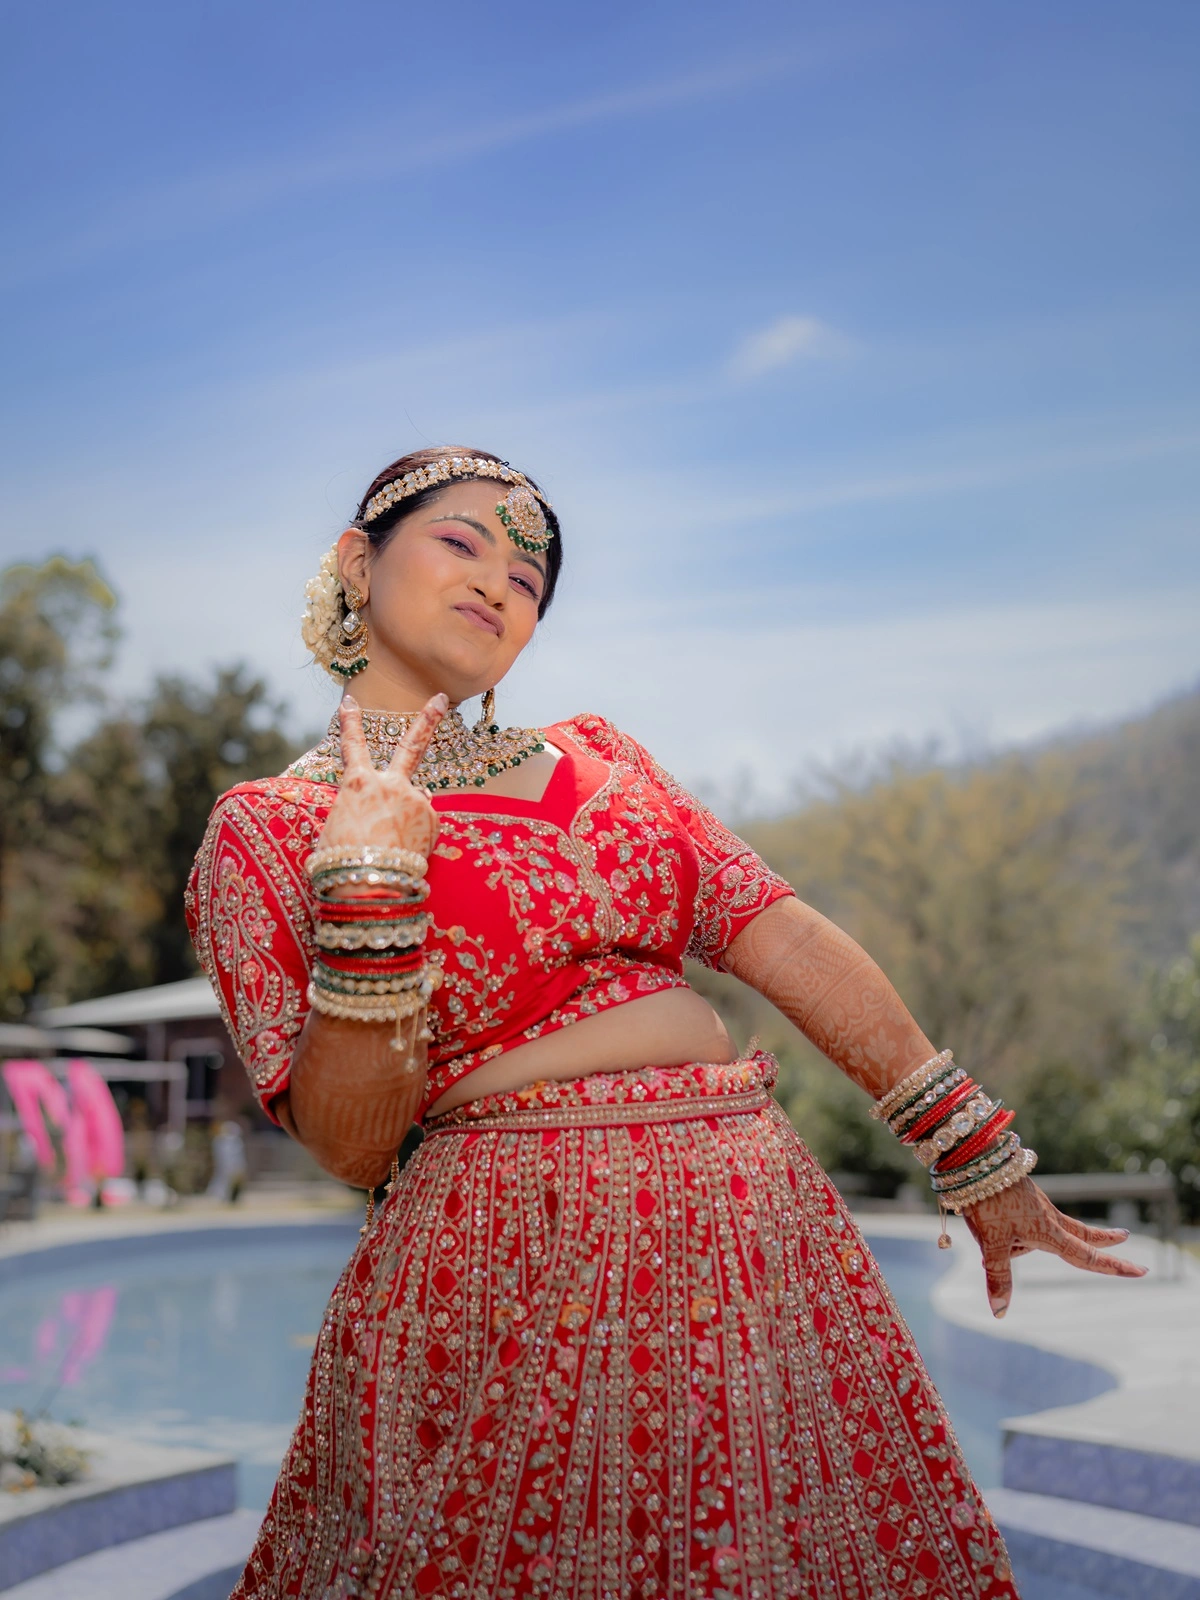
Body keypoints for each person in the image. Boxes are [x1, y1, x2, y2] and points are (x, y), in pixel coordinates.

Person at [188, 447, 1144, 1600]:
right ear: (357, 561)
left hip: (753, 1244)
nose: (499, 583)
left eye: (530, 580)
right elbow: (352, 1143)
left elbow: (783, 937)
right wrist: (371, 887)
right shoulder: (272, 828)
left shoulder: (605, 756)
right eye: (461, 542)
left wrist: (973, 1149)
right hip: (507, 1264)